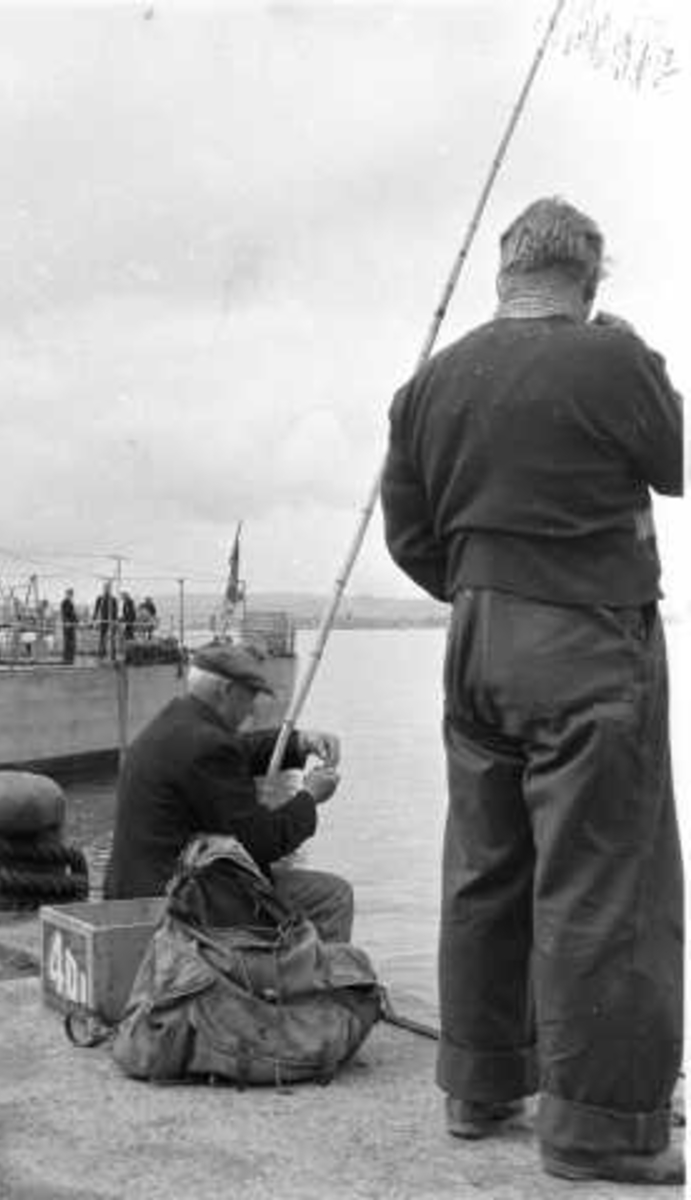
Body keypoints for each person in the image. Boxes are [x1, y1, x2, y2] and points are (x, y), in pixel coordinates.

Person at [380, 197, 683, 1185]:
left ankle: (477, 1083)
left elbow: (409, 536)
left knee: (484, 862)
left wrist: (485, 593)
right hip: (586, 642)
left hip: (473, 640)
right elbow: (677, 458)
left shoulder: (426, 385)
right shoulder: (609, 358)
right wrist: (639, 355)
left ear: (503, 271)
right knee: (603, 882)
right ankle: (596, 1129)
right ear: (588, 279)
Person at [103, 641, 353, 943]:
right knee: (333, 896)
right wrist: (310, 797)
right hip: (177, 900)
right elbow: (262, 843)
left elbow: (238, 751)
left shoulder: (176, 721)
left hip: (134, 887)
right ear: (226, 691)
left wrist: (298, 743)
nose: (253, 708)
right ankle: (319, 987)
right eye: (250, 696)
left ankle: (283, 972)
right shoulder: (208, 745)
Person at [93, 581, 118, 660]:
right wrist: (94, 619)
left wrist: (115, 621)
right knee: (102, 637)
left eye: (108, 588)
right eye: (105, 588)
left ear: (110, 589)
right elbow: (96, 610)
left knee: (112, 638)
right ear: (103, 589)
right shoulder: (100, 598)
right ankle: (101, 654)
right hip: (103, 621)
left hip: (111, 621)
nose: (107, 589)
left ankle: (112, 655)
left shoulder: (113, 599)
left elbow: (115, 611)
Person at [60, 587, 79, 664]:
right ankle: (67, 659)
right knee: (67, 642)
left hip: (71, 625)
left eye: (71, 594)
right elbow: (64, 614)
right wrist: (66, 622)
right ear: (67, 594)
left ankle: (70, 658)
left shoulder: (71, 603)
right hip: (67, 625)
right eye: (69, 594)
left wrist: (77, 621)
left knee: (72, 643)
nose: (70, 595)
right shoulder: (64, 602)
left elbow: (73, 614)